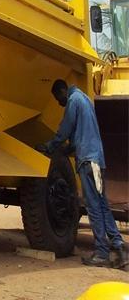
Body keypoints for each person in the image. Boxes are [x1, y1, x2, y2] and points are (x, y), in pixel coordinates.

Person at [38, 79, 128, 269]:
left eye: (57, 98)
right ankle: (120, 249)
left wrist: (50, 146)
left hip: (88, 162)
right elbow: (81, 134)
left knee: (94, 207)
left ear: (62, 92)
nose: (58, 103)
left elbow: (65, 129)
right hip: (97, 159)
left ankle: (102, 253)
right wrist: (67, 149)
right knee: (103, 205)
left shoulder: (73, 101)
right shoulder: (85, 99)